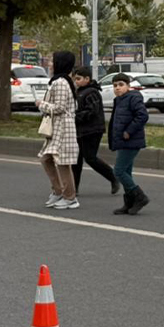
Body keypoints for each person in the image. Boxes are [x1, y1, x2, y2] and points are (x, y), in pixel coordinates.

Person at [37, 51, 80, 210]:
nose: (50, 64)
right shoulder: (60, 81)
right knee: (46, 159)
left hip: (62, 129)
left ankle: (69, 197)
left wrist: (41, 104)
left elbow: (61, 107)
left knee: (62, 162)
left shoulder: (61, 82)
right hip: (57, 128)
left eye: (52, 61)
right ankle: (58, 191)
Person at [71, 67, 120, 195]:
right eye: (75, 79)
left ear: (87, 79)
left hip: (92, 130)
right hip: (81, 130)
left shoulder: (91, 92)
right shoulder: (80, 92)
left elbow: (91, 111)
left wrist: (75, 116)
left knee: (90, 157)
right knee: (76, 159)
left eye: (79, 79)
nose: (76, 81)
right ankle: (74, 187)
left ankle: (113, 177)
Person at [107, 73, 150, 215]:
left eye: (121, 85)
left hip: (131, 140)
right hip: (122, 141)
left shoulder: (134, 97)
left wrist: (129, 131)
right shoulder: (119, 100)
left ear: (128, 86)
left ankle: (140, 197)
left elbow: (142, 115)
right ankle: (129, 203)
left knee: (118, 171)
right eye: (115, 85)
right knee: (126, 172)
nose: (117, 88)